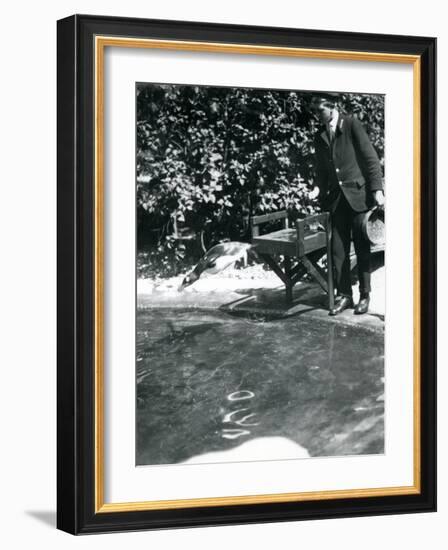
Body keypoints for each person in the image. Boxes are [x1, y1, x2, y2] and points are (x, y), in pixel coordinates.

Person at [310, 92, 384, 315]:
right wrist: (317, 187)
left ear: (331, 107)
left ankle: (364, 295)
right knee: (337, 250)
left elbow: (370, 158)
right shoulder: (319, 135)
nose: (316, 116)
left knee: (361, 248)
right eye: (313, 112)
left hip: (358, 197)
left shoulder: (351, 124)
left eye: (319, 111)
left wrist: (377, 190)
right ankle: (345, 296)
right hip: (336, 201)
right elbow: (321, 169)